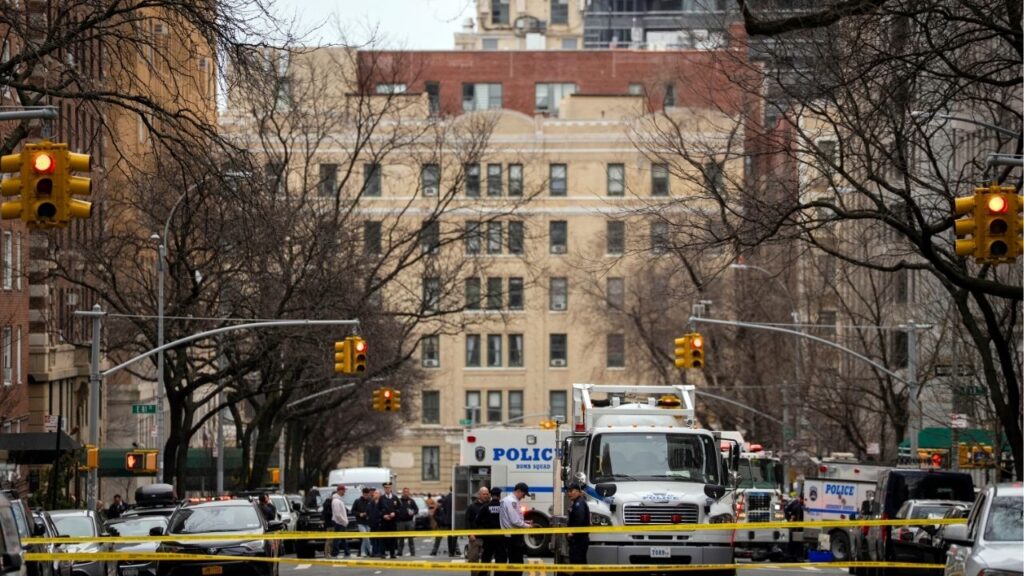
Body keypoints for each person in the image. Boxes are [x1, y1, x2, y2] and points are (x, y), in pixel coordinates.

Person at [498, 482, 532, 576]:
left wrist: (525, 523)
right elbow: (514, 520)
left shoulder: (507, 500)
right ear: (519, 491)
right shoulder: (512, 501)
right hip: (512, 537)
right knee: (517, 564)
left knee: (514, 563)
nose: (524, 497)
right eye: (524, 494)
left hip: (509, 535)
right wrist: (528, 526)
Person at [476, 488, 505, 570]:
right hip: (500, 538)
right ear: (499, 496)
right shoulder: (503, 507)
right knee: (500, 560)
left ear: (491, 495)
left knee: (485, 560)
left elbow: (477, 521)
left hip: (488, 538)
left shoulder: (485, 507)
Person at [465, 486, 490, 576]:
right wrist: (470, 534)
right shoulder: (472, 507)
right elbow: (467, 521)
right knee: (473, 559)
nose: (486, 496)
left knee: (487, 560)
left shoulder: (489, 506)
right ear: (479, 495)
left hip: (487, 538)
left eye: (487, 494)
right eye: (484, 494)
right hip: (475, 538)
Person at [565, 483, 590, 565]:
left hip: (579, 539)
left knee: (577, 563)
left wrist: (572, 532)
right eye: (568, 491)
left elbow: (579, 519)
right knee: (581, 564)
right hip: (578, 539)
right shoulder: (577, 502)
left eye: (571, 491)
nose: (569, 493)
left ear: (578, 491)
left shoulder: (579, 503)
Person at [431, 489, 458, 557]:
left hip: (447, 524)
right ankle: (434, 551)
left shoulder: (444, 507)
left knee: (452, 537)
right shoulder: (439, 508)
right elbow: (434, 515)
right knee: (438, 539)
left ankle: (457, 550)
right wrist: (439, 520)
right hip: (441, 525)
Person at [377, 482, 400, 559]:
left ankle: (392, 553)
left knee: (392, 538)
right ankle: (382, 553)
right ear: (384, 488)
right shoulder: (381, 498)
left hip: (392, 522)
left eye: (389, 487)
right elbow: (378, 510)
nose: (387, 489)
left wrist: (395, 513)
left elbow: (399, 508)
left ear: (391, 488)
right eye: (386, 488)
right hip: (384, 522)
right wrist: (383, 515)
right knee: (383, 538)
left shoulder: (395, 498)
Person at [395, 487, 419, 557]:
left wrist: (413, 512)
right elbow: (394, 509)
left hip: (409, 521)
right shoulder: (399, 501)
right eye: (404, 492)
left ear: (409, 493)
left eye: (407, 492)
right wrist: (398, 513)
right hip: (400, 522)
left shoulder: (411, 501)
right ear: (403, 492)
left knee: (410, 538)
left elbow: (416, 510)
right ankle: (399, 552)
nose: (406, 493)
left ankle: (412, 552)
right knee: (400, 538)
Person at [351, 487, 373, 557]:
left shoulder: (370, 501)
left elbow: (372, 510)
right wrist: (359, 514)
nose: (366, 496)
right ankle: (370, 550)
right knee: (365, 536)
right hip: (360, 522)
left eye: (367, 494)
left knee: (366, 537)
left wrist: (369, 515)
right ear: (363, 494)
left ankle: (363, 552)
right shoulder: (357, 501)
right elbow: (353, 511)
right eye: (365, 495)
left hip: (368, 522)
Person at [329, 485, 350, 558]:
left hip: (340, 522)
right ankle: (335, 553)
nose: (344, 492)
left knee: (343, 539)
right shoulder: (336, 501)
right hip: (339, 523)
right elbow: (338, 514)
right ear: (339, 491)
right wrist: (344, 521)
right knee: (337, 539)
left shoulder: (338, 500)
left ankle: (347, 552)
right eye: (343, 490)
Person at [784, 494, 805, 560]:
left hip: (796, 526)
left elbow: (786, 510)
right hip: (796, 527)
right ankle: (795, 556)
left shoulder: (796, 503)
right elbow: (787, 511)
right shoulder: (797, 505)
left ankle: (792, 555)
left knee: (794, 541)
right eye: (803, 499)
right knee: (796, 542)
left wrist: (789, 519)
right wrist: (789, 519)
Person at [368, 489, 383, 557]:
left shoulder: (382, 502)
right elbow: (368, 511)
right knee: (373, 539)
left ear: (380, 495)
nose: (375, 494)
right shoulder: (371, 502)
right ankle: (374, 551)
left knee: (379, 539)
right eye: (375, 493)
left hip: (380, 523)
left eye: (377, 493)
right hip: (372, 523)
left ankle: (380, 552)